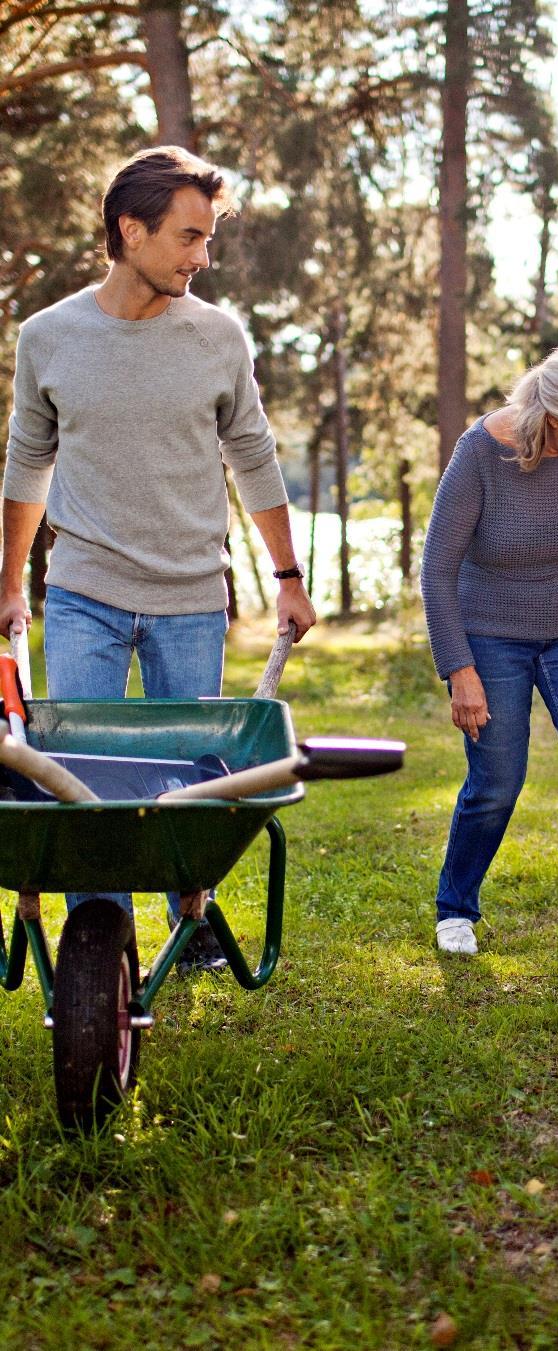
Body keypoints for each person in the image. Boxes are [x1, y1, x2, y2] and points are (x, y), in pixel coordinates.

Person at [0, 146, 316, 972]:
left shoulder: (217, 337)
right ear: (129, 230)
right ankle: (96, 944)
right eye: (187, 236)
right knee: (78, 792)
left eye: (207, 238)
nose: (200, 257)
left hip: (187, 597)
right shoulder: (49, 337)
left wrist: (287, 577)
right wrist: (10, 587)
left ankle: (193, 917)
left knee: (191, 787)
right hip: (84, 595)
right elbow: (27, 464)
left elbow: (253, 454)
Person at [421, 342, 558, 983]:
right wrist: (457, 664)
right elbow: (438, 567)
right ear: (556, 414)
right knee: (497, 780)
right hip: (490, 627)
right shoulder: (480, 453)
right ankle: (455, 906)